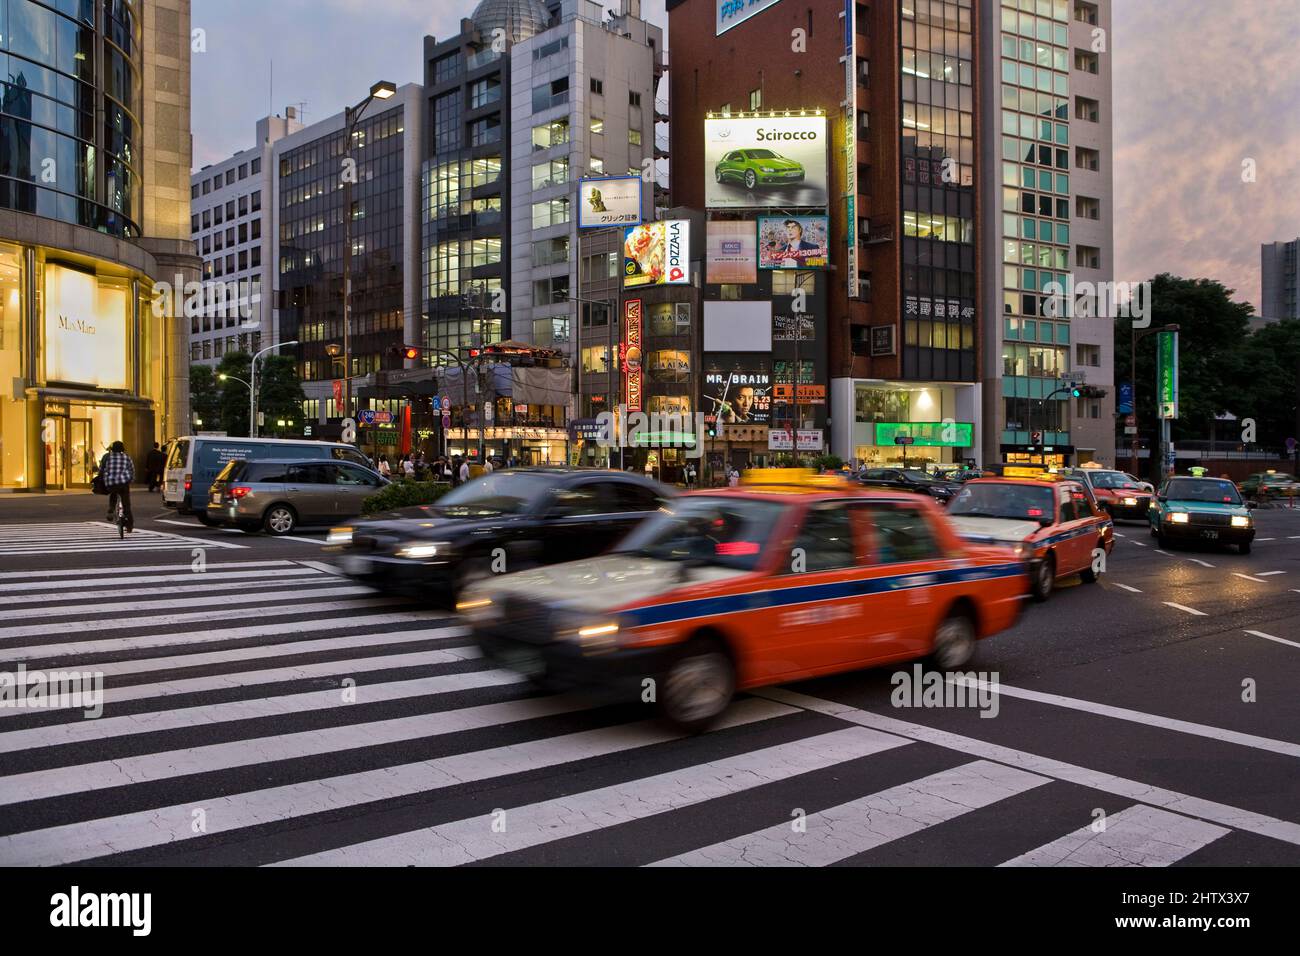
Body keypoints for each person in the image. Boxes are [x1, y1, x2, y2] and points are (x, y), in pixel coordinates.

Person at [98, 441, 136, 533]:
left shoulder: (107, 457)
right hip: (123, 483)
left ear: (112, 449)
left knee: (113, 494)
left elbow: (101, 469)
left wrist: (102, 478)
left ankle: (111, 509)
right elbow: (132, 470)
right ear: (122, 449)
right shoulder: (127, 457)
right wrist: (131, 480)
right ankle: (129, 525)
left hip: (111, 483)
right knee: (126, 504)